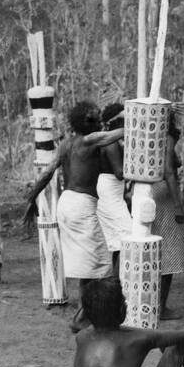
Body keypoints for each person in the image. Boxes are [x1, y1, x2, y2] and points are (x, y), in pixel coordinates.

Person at [25, 100, 123, 320]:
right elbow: (110, 136)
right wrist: (139, 121)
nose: (100, 121)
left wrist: (32, 198)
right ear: (88, 122)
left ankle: (84, 314)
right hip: (81, 206)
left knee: (87, 265)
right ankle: (83, 316)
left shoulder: (66, 144)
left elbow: (48, 172)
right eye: (96, 118)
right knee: (101, 263)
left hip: (66, 204)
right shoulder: (90, 140)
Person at [155, 116, 184, 319]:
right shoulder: (166, 137)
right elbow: (169, 170)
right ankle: (160, 308)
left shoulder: (148, 133)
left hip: (146, 192)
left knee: (152, 247)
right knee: (168, 250)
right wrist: (178, 206)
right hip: (163, 192)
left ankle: (151, 304)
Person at [96, 102, 132, 272]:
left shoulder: (112, 139)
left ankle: (117, 281)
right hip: (109, 191)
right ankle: (118, 282)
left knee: (119, 240)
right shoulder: (110, 142)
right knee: (127, 235)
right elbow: (119, 172)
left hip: (111, 191)